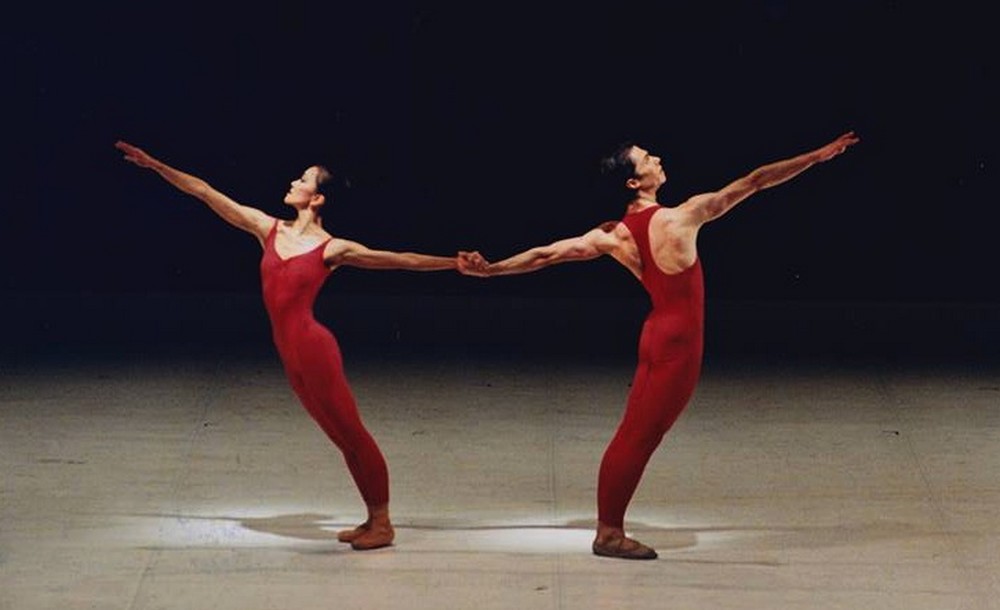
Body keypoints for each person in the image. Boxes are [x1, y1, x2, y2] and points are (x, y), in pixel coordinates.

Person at [458, 131, 860, 559]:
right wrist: (815, 157)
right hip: (678, 344)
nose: (657, 159)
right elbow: (756, 181)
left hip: (657, 334)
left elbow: (547, 254)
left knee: (636, 433)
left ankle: (610, 527)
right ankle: (608, 533)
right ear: (634, 182)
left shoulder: (613, 234)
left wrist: (494, 270)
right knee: (638, 437)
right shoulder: (682, 217)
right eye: (647, 159)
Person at [116, 141, 466, 551]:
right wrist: (157, 165)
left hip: (315, 351)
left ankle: (383, 523)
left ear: (317, 198)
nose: (293, 182)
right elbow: (205, 192)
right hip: (291, 356)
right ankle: (373, 519)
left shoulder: (332, 248)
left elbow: (400, 259)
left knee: (353, 434)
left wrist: (453, 263)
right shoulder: (268, 229)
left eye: (303, 179)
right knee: (341, 439)